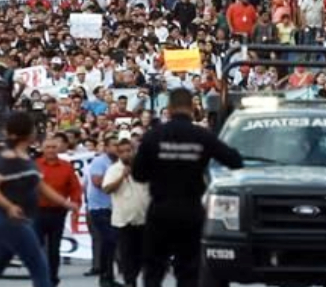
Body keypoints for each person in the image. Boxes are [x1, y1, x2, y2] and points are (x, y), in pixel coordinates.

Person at [132, 88, 244, 287]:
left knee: (154, 269)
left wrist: (159, 169)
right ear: (192, 108)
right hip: (191, 210)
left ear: (169, 108)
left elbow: (138, 174)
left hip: (160, 209)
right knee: (189, 270)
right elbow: (234, 160)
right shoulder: (201, 136)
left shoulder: (153, 136)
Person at [0, 113, 79, 287]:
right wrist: (9, 206)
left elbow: (40, 185)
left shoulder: (26, 158)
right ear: (27, 133)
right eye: (33, 128)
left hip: (19, 218)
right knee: (38, 264)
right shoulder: (8, 158)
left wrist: (65, 203)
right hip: (10, 220)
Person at [36, 134, 83, 287]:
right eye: (48, 147)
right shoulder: (35, 166)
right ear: (42, 149)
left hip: (57, 212)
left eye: (53, 147)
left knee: (54, 248)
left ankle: (53, 278)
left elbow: (75, 188)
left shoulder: (66, 166)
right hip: (37, 211)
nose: (50, 150)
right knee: (37, 246)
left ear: (59, 149)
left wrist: (76, 204)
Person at [103, 138, 150, 287]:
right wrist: (122, 177)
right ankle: (130, 282)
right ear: (118, 154)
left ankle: (135, 277)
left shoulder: (144, 168)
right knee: (127, 255)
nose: (126, 154)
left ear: (134, 151)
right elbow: (106, 189)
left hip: (144, 219)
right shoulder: (113, 170)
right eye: (122, 152)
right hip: (124, 221)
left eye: (129, 151)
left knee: (143, 255)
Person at [87, 136, 120, 287]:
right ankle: (105, 276)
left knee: (111, 243)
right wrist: (117, 181)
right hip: (100, 208)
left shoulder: (119, 162)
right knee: (109, 240)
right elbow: (97, 182)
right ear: (106, 148)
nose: (116, 148)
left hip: (114, 207)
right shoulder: (99, 161)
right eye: (113, 145)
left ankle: (108, 276)